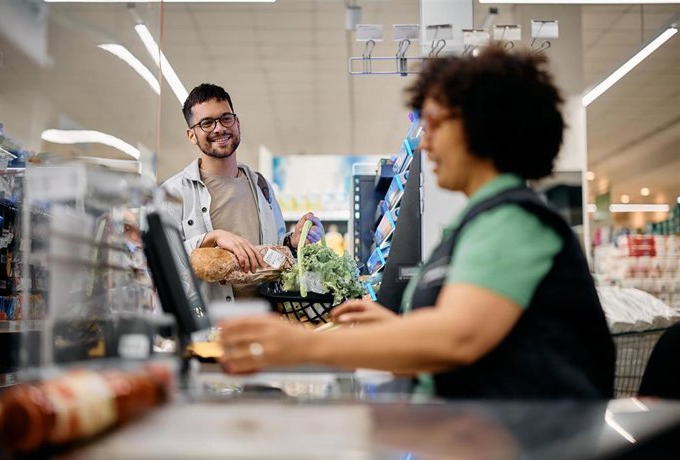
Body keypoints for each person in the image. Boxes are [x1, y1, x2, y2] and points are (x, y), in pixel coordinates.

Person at [219, 45, 616, 399]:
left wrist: (303, 346)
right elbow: (473, 333)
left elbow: (456, 340)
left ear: (483, 124)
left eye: (436, 124)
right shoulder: (478, 222)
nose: (425, 142)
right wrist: (392, 329)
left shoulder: (513, 221)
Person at [162, 84, 321, 302]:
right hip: (213, 326)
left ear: (237, 123)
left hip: (267, 318)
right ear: (192, 135)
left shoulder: (261, 185)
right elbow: (162, 265)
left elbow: (271, 250)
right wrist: (212, 238)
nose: (219, 128)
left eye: (225, 118)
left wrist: (293, 242)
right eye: (206, 123)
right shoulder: (173, 193)